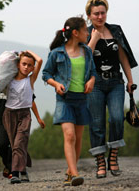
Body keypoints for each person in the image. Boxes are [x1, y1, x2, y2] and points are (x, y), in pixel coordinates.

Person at [85, 0, 138, 178]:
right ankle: (100, 162)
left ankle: (113, 157)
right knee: (97, 123)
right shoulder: (85, 32)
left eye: (103, 13)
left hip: (116, 82)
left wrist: (130, 81)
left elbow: (123, 57)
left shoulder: (116, 30)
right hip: (95, 83)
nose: (100, 16)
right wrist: (93, 39)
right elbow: (83, 59)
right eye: (96, 14)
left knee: (116, 118)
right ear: (89, 16)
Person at [42, 17, 96, 186]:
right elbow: (46, 74)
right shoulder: (56, 53)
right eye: (85, 30)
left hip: (82, 99)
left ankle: (69, 171)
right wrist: (56, 84)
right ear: (75, 33)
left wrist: (92, 80)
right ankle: (75, 173)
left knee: (78, 138)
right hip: (64, 100)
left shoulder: (87, 51)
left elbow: (93, 72)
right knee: (70, 135)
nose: (88, 33)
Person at [0, 50, 43, 184]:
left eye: (29, 65)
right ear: (18, 65)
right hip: (9, 114)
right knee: (15, 145)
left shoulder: (30, 79)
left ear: (32, 68)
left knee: (19, 142)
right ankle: (23, 171)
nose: (26, 67)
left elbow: (40, 61)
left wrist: (28, 52)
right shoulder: (9, 81)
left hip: (25, 114)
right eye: (24, 64)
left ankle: (15, 173)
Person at [0, 73, 45, 180]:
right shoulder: (2, 79)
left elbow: (31, 100)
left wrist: (38, 118)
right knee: (3, 144)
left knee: (17, 144)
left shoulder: (22, 82)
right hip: (1, 116)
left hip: (18, 117)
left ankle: (17, 170)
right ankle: (9, 166)